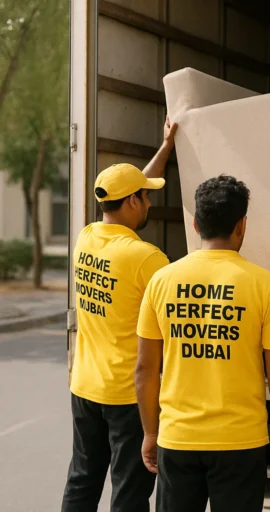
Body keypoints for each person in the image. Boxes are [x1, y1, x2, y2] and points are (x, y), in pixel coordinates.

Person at [134, 175, 270, 512]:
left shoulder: (162, 281)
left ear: (196, 224)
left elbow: (145, 369)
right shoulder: (266, 286)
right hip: (240, 441)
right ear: (242, 225)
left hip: (178, 438)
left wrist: (150, 432)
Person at [62, 117, 176, 512]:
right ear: (131, 203)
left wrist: (165, 147)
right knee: (129, 492)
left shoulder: (86, 237)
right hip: (129, 396)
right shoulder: (147, 258)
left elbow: (131, 184)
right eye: (145, 197)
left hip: (85, 386)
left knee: (82, 480)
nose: (150, 203)